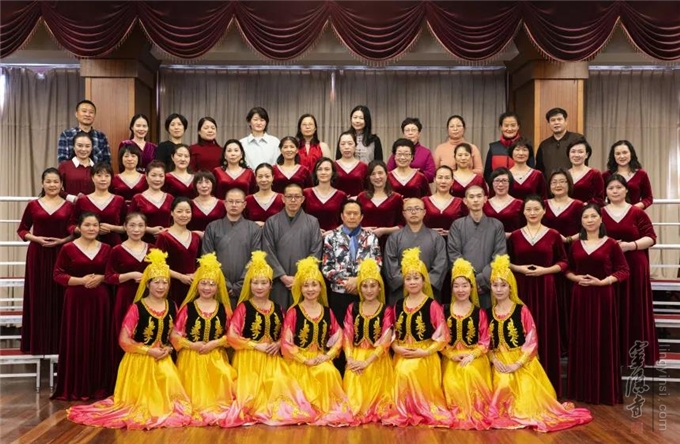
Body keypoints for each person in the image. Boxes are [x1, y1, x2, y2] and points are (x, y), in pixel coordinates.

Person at [67, 249, 192, 429]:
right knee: (144, 405)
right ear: (147, 284)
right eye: (156, 282)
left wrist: (169, 348)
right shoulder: (137, 307)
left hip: (162, 358)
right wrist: (148, 351)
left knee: (173, 397)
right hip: (138, 362)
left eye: (165, 282)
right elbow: (124, 340)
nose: (161, 287)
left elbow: (174, 334)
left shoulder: (172, 305)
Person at [487, 255, 592, 431]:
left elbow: (532, 341)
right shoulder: (488, 313)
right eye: (495, 285)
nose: (498, 289)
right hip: (499, 362)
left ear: (511, 286)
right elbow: (487, 343)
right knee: (502, 385)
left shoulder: (521, 310)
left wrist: (517, 364)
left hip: (522, 362)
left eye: (503, 285)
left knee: (527, 397)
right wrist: (494, 360)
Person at [227, 251, 317, 426]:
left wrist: (277, 343)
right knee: (251, 393)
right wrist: (255, 346)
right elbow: (232, 336)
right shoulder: (243, 307)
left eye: (264, 283)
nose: (259, 287)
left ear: (271, 285)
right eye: (255, 282)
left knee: (281, 383)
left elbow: (286, 334)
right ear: (249, 284)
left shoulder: (278, 308)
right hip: (249, 359)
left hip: (272, 358)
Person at [566, 204, 629, 405]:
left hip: (603, 296)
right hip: (580, 296)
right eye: (586, 217)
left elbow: (624, 270)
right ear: (581, 221)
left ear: (601, 219)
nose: (590, 220)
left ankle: (604, 391)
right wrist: (575, 278)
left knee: (603, 339)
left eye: (593, 216)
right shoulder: (575, 245)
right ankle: (582, 390)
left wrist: (603, 282)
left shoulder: (611, 244)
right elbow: (567, 269)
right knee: (581, 340)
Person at [382, 248, 452, 427]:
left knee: (408, 371)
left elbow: (443, 337)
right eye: (408, 279)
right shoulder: (397, 305)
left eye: (416, 278)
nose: (412, 282)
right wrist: (396, 348)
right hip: (402, 354)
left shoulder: (432, 305)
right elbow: (391, 334)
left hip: (425, 356)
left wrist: (424, 352)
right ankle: (403, 409)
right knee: (400, 371)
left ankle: (418, 409)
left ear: (423, 280)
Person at [281, 257, 355, 426]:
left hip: (320, 358)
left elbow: (339, 337)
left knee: (329, 372)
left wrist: (327, 356)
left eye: (314, 285)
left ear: (321, 287)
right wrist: (304, 359)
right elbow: (286, 343)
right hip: (298, 361)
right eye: (306, 285)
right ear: (300, 288)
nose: (310, 289)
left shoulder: (327, 311)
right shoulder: (294, 312)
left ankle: (324, 408)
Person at [507, 196, 567, 395]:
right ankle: (522, 384)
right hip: (521, 287)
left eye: (536, 209)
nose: (532, 213)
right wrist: (519, 268)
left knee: (544, 329)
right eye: (528, 209)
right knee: (521, 330)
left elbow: (564, 262)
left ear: (543, 211)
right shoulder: (515, 236)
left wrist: (545, 270)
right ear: (523, 212)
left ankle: (546, 385)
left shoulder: (553, 235)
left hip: (545, 287)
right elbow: (506, 260)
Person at [172, 253, 238, 426]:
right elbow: (175, 335)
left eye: (211, 284)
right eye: (203, 283)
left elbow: (232, 335)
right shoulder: (188, 308)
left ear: (218, 287)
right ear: (197, 284)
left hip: (215, 355)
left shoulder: (224, 308)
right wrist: (192, 345)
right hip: (191, 357)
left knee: (224, 375)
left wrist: (216, 343)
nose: (207, 288)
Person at [53, 212, 113, 400]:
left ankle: (98, 386)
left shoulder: (107, 248)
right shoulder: (68, 248)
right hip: (76, 300)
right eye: (87, 225)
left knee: (99, 340)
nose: (91, 228)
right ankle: (77, 386)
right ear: (79, 227)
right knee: (77, 339)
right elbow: (57, 274)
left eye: (95, 225)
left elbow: (112, 274)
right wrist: (81, 280)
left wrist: (101, 278)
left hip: (100, 300)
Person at [601, 174, 658, 366]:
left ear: (626, 190)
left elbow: (651, 238)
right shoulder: (599, 213)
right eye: (611, 188)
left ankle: (635, 355)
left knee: (633, 308)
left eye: (618, 187)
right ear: (605, 192)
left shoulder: (637, 212)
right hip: (608, 267)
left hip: (634, 265)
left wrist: (629, 246)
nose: (615, 191)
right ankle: (611, 354)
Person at [17, 168, 73, 355]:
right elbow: (22, 230)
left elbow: (74, 232)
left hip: (61, 253)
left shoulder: (69, 206)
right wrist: (37, 239)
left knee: (60, 297)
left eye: (56, 181)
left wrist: (62, 241)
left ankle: (59, 344)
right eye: (48, 181)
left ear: (61, 184)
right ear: (42, 183)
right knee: (38, 296)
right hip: (38, 254)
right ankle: (38, 343)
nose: (52, 185)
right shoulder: (33, 205)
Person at [441, 258, 493, 430]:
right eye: (456, 286)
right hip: (451, 357)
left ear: (472, 287)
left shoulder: (480, 313)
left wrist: (472, 355)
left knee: (469, 372)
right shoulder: (444, 310)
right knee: (451, 381)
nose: (461, 290)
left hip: (474, 357)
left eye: (465, 285)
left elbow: (485, 341)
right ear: (452, 288)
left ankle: (474, 411)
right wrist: (451, 355)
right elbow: (439, 339)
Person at [342, 258, 395, 423]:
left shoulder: (386, 310)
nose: (369, 290)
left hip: (377, 359)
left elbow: (385, 341)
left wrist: (367, 362)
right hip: (356, 356)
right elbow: (347, 335)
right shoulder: (353, 307)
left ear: (379, 287)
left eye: (373, 286)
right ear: (359, 288)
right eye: (365, 286)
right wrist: (350, 360)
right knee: (353, 381)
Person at [542, 169, 583, 356]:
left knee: (568, 298)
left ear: (569, 184)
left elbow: (586, 228)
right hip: (548, 257)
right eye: (554, 182)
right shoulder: (543, 205)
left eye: (562, 181)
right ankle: (551, 343)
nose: (558, 185)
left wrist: (567, 239)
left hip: (571, 253)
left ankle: (568, 343)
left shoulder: (578, 205)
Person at [263, 183, 323, 309]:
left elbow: (316, 251)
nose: (293, 200)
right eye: (289, 196)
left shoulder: (313, 222)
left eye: (297, 196)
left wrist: (300, 277)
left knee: (301, 315)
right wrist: (282, 276)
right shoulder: (271, 222)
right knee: (278, 313)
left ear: (302, 199)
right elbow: (268, 250)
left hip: (304, 281)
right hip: (278, 280)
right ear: (283, 199)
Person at [321, 200, 382, 325]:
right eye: (348, 213)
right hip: (339, 293)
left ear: (361, 217)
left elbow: (377, 264)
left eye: (355, 213)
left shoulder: (371, 237)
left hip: (365, 292)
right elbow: (326, 267)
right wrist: (347, 283)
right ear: (342, 216)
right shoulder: (331, 237)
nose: (352, 217)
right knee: (341, 329)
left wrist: (358, 281)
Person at [104, 212, 150, 372]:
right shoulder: (117, 250)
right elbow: (109, 277)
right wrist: (129, 275)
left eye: (140, 226)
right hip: (125, 298)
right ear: (124, 227)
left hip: (148, 297)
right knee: (125, 334)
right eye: (132, 225)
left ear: (146, 228)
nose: (136, 229)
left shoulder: (153, 249)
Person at [448, 185, 507, 308]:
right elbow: (454, 254)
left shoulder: (496, 225)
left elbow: (499, 256)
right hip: (464, 285)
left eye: (479, 196)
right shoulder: (457, 225)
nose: (475, 200)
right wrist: (469, 281)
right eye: (471, 197)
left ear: (485, 199)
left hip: (489, 282)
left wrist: (481, 279)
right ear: (465, 201)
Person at [203, 187, 263, 308]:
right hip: (218, 286)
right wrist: (223, 284)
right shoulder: (212, 227)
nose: (234, 205)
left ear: (244, 205)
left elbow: (256, 259)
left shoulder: (254, 229)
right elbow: (207, 258)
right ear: (225, 203)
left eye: (238, 202)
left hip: (246, 287)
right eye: (230, 201)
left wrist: (240, 285)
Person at [384, 198, 448, 303]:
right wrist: (408, 282)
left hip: (428, 290)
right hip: (401, 291)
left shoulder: (436, 237)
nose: (413, 212)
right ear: (404, 214)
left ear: (424, 212)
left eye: (417, 208)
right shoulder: (394, 237)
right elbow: (390, 266)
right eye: (409, 209)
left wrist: (423, 283)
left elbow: (441, 264)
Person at [155, 196, 201, 307]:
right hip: (170, 285)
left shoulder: (195, 237)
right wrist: (181, 277)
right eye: (179, 211)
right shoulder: (164, 236)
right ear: (172, 213)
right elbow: (157, 264)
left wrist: (195, 274)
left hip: (192, 285)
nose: (184, 215)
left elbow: (200, 261)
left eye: (188, 212)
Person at [70, 162, 126, 246]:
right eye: (99, 176)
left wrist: (112, 228)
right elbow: (71, 225)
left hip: (114, 245)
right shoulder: (82, 200)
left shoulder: (119, 200)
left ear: (111, 178)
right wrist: (89, 229)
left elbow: (127, 227)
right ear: (92, 178)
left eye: (107, 176)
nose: (103, 179)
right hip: (87, 245)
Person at [355, 160, 404, 248]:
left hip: (391, 244)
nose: (377, 177)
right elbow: (354, 222)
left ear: (386, 174)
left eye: (380, 173)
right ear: (369, 177)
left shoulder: (397, 198)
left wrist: (384, 230)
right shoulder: (361, 197)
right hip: (365, 243)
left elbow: (402, 225)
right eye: (373, 174)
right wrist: (363, 229)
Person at [128, 160, 174, 243]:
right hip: (143, 242)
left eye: (161, 176)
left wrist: (167, 230)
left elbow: (176, 221)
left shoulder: (170, 198)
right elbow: (129, 222)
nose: (157, 179)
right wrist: (149, 230)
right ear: (146, 176)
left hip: (167, 241)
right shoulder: (137, 198)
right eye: (153, 175)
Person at [602, 140, 653, 209]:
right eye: (618, 154)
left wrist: (632, 209)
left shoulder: (641, 174)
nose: (622, 156)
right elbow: (600, 199)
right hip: (612, 214)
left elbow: (648, 198)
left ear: (631, 153)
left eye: (625, 152)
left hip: (635, 213)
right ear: (613, 156)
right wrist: (611, 208)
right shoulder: (606, 175)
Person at [57, 99, 111, 165]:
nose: (87, 114)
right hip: (72, 171)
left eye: (91, 112)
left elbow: (107, 162)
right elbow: (62, 161)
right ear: (76, 114)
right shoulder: (66, 135)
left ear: (94, 115)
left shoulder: (101, 137)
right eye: (84, 111)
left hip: (96, 171)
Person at [536, 108, 584, 178]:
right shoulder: (544, 145)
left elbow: (584, 163)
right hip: (550, 184)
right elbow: (539, 170)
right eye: (553, 120)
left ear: (566, 121)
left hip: (574, 182)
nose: (556, 122)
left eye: (559, 119)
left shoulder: (577, 139)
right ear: (549, 124)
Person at [484, 112, 531, 182]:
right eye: (506, 125)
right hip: (498, 187)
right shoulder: (493, 148)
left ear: (518, 126)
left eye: (513, 125)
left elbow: (531, 171)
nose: (509, 129)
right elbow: (487, 174)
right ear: (501, 127)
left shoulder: (526, 146)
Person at [304, 157, 348, 233]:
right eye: (319, 169)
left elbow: (345, 221)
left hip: (334, 237)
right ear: (315, 172)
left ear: (333, 172)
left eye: (327, 169)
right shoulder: (305, 193)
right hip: (309, 236)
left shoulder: (341, 196)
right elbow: (299, 219)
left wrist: (332, 232)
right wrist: (314, 230)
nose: (323, 172)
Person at [387, 118, 436, 182]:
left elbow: (431, 175)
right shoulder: (398, 152)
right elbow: (388, 173)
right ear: (403, 134)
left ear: (419, 133)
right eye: (407, 130)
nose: (410, 133)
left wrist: (417, 173)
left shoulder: (426, 153)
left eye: (413, 130)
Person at [422, 166, 467, 236]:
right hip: (428, 241)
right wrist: (429, 232)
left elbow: (467, 227)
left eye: (447, 178)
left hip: (453, 241)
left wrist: (451, 233)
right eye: (440, 177)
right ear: (434, 180)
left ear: (452, 181)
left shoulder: (460, 202)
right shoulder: (424, 201)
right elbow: (415, 225)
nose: (443, 181)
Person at [483, 167, 524, 237]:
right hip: (488, 241)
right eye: (497, 181)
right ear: (492, 183)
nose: (500, 185)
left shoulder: (520, 204)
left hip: (512, 241)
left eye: (504, 181)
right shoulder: (484, 204)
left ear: (510, 183)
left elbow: (524, 227)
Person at [58, 131, 95, 201]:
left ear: (92, 148)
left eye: (87, 146)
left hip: (93, 206)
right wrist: (72, 198)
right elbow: (56, 188)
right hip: (70, 206)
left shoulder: (97, 167)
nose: (83, 149)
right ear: (74, 147)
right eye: (80, 146)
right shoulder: (64, 166)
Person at [567, 137, 604, 206]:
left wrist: (583, 206)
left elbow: (599, 199)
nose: (576, 155)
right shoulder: (564, 174)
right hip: (567, 211)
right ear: (569, 154)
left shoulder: (595, 174)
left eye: (580, 152)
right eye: (573, 151)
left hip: (587, 211)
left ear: (587, 155)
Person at [334, 131, 368, 197]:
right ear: (339, 146)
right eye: (343, 144)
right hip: (337, 202)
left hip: (358, 202)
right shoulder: (333, 166)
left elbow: (368, 190)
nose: (346, 147)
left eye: (350, 143)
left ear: (355, 145)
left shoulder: (364, 166)